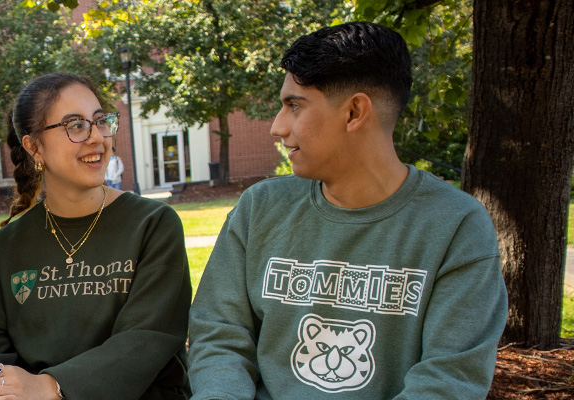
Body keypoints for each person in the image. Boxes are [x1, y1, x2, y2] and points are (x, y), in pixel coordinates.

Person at [187, 22, 507, 399]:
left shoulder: (456, 226)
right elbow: (219, 337)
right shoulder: (259, 208)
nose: (277, 127)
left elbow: (449, 380)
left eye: (294, 106)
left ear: (355, 111)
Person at [0, 72, 192, 400]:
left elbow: (146, 340)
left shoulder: (152, 224)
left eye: (100, 121)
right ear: (34, 147)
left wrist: (50, 386)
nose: (97, 138)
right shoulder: (7, 247)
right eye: (75, 126)